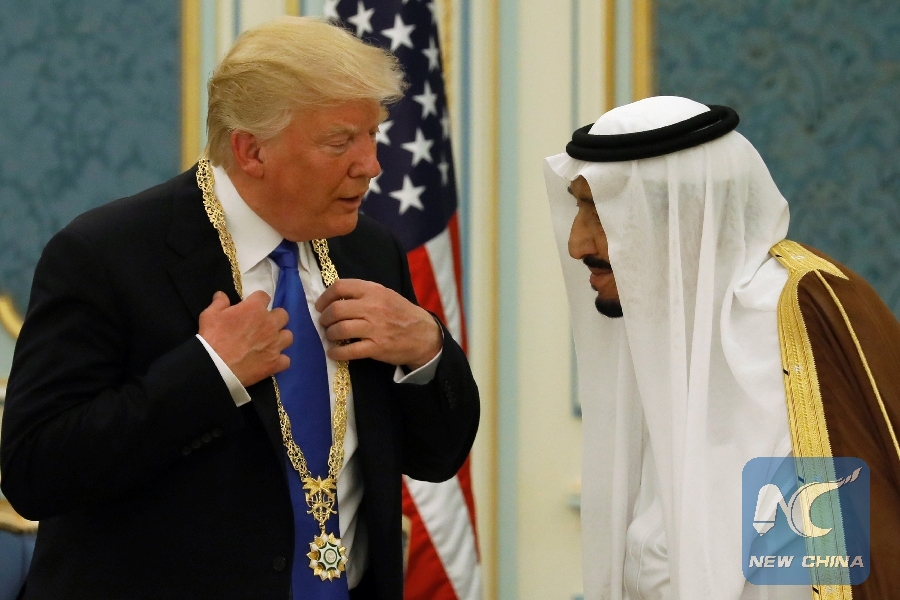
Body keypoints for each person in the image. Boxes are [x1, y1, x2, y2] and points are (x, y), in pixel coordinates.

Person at [0, 17, 479, 600]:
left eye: (372, 135)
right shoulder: (107, 254)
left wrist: (427, 349)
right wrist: (208, 372)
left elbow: (437, 458)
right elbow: (34, 473)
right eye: (340, 142)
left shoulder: (370, 249)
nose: (371, 165)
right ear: (251, 150)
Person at [544, 96, 900, 600]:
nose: (577, 244)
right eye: (578, 208)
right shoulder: (661, 331)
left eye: (602, 212)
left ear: (684, 215)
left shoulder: (796, 332)